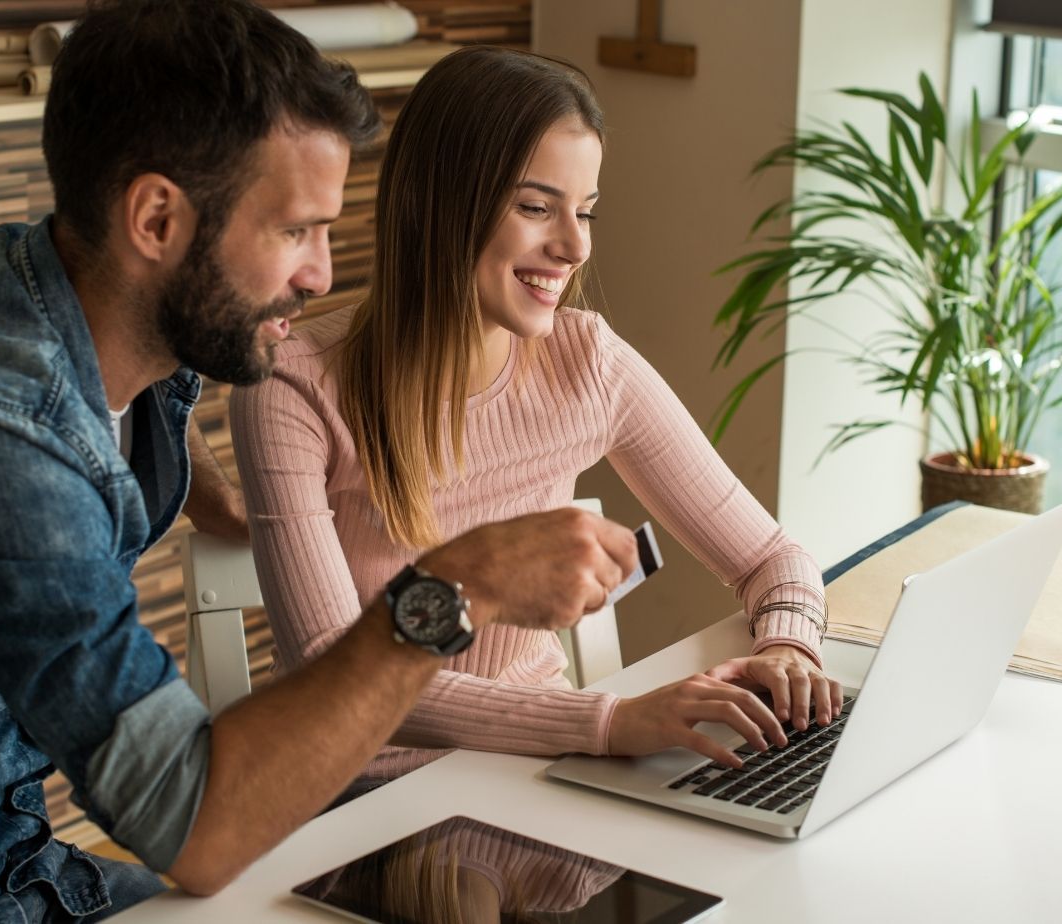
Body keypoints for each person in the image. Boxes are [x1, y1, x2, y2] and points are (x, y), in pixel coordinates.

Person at [0, 3, 638, 921]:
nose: (322, 274)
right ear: (157, 218)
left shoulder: (59, 290)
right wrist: (453, 588)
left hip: (10, 854)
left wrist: (202, 491)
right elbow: (196, 827)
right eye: (295, 230)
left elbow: (109, 417)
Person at [230, 46, 843, 791]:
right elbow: (337, 668)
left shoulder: (586, 361)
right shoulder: (294, 387)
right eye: (535, 206)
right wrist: (607, 724)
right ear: (443, 202)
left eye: (584, 211)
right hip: (351, 802)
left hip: (539, 781)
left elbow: (771, 558)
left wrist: (789, 648)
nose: (575, 245)